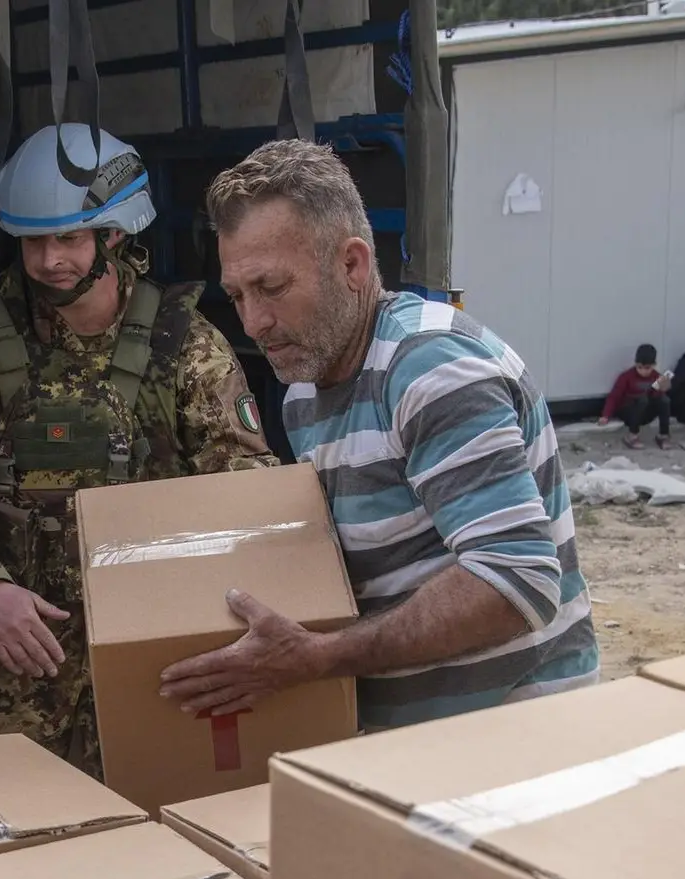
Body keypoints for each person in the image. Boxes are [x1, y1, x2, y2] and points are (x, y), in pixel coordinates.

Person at [158, 140, 598, 729]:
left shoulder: (430, 369)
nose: (254, 322)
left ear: (353, 266)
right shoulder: (304, 393)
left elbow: (517, 581)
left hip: (510, 743)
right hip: (419, 747)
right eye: (237, 295)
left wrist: (319, 658)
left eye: (271, 287)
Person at [0, 125, 277, 776]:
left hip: (152, 648)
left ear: (115, 234)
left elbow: (246, 484)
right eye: (33, 242)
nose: (48, 261)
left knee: (152, 833)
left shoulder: (181, 342)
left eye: (68, 238)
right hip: (22, 651)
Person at [599, 343, 673, 449]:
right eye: (640, 367)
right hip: (628, 411)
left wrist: (663, 388)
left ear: (653, 365)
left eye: (647, 368)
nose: (643, 371)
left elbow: (656, 397)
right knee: (642, 400)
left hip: (645, 412)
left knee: (664, 400)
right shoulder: (626, 376)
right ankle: (632, 436)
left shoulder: (656, 376)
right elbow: (614, 396)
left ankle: (663, 435)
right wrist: (606, 415)